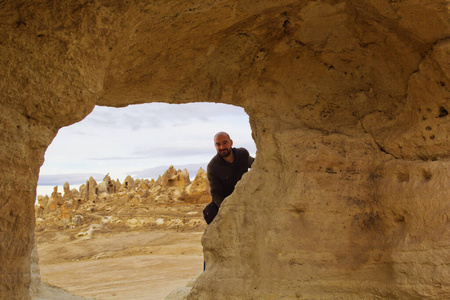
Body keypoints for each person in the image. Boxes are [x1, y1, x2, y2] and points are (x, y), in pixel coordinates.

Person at [203, 131, 254, 224]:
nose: (222, 147)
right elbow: (216, 194)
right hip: (228, 202)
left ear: (231, 142)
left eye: (225, 143)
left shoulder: (242, 154)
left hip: (245, 198)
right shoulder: (213, 167)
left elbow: (256, 165)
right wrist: (228, 210)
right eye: (218, 144)